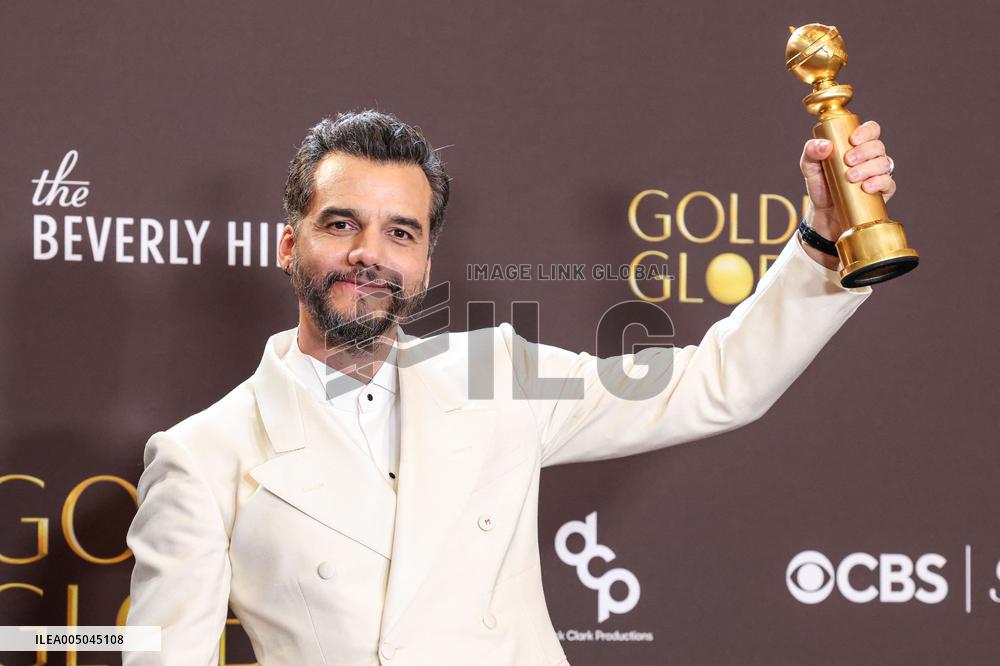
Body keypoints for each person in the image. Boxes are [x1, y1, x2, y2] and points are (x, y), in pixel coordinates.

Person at [124, 109, 894, 665]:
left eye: (400, 232)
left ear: (424, 263)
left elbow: (717, 385)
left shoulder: (497, 374)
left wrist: (826, 236)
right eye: (340, 224)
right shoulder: (204, 454)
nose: (369, 253)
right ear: (290, 245)